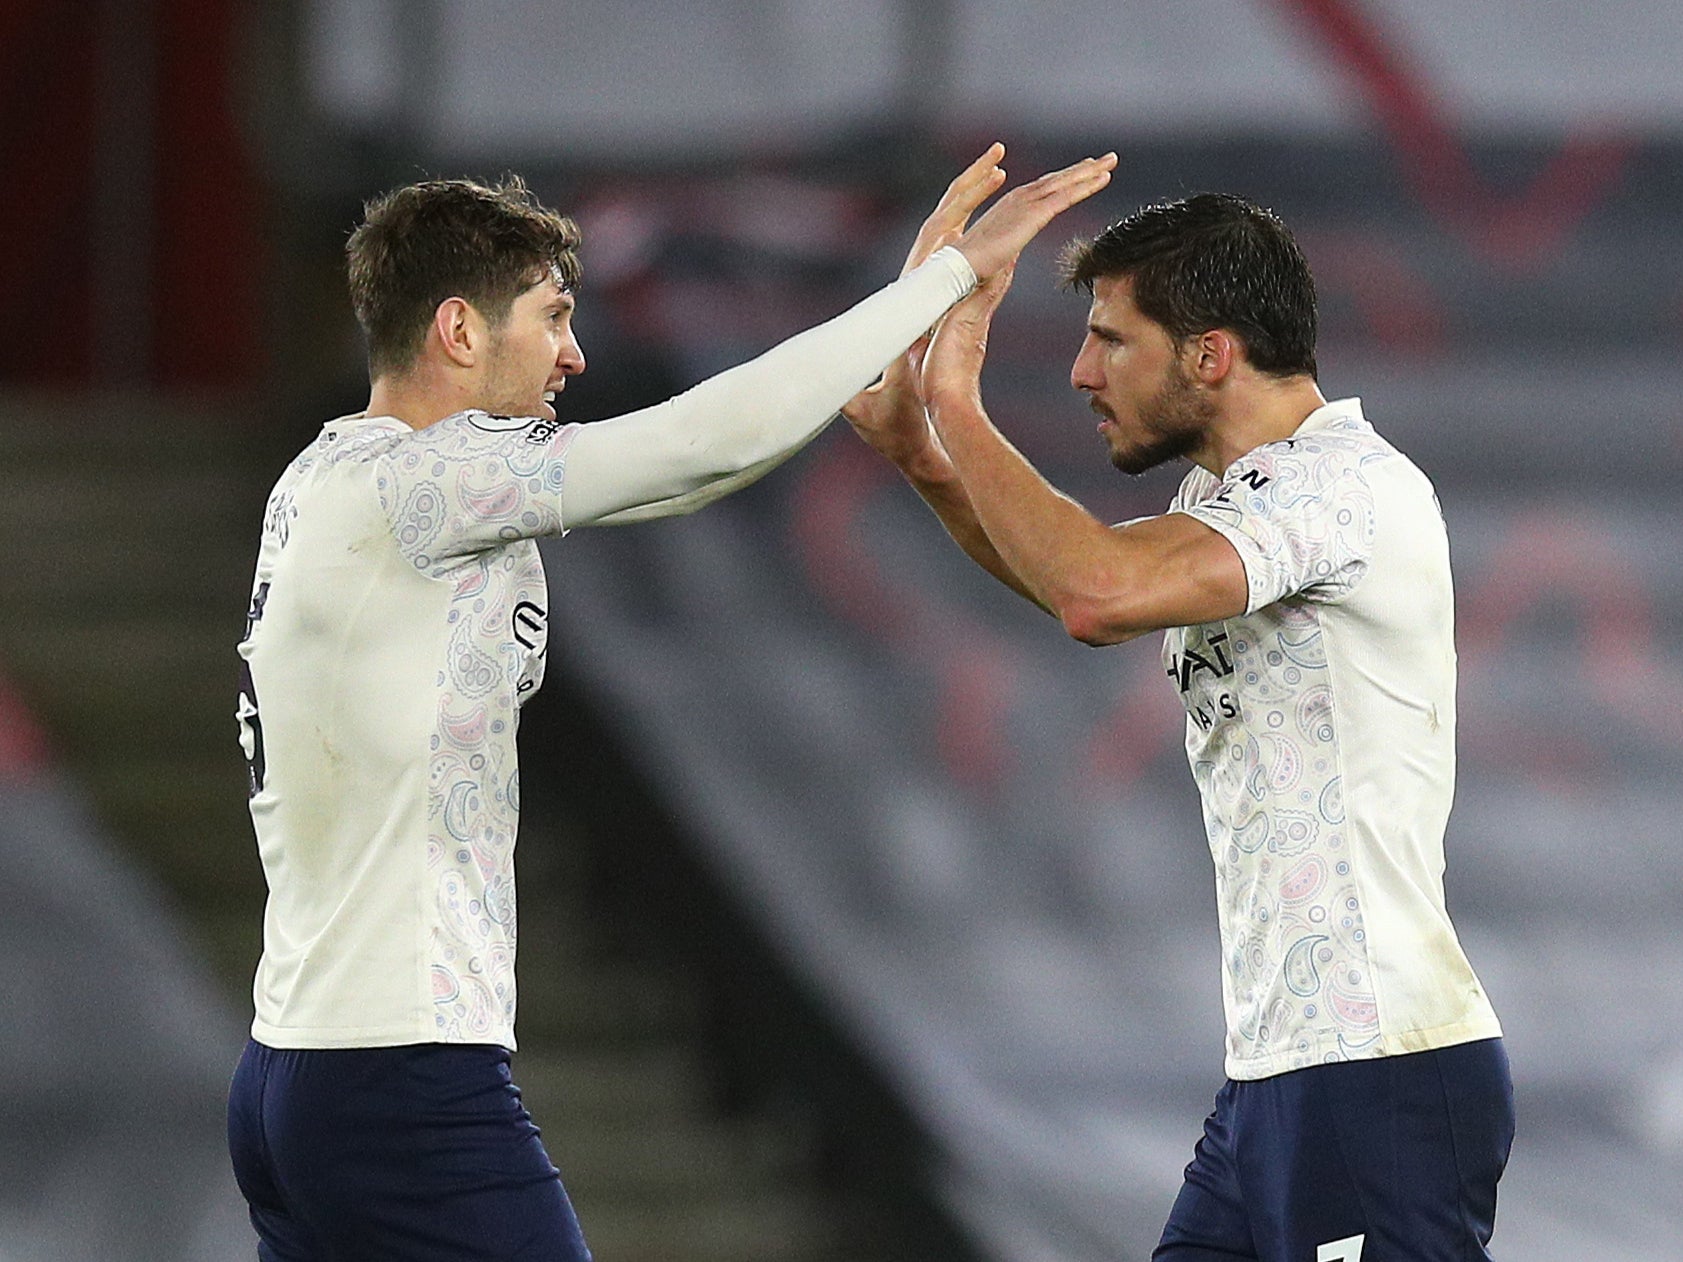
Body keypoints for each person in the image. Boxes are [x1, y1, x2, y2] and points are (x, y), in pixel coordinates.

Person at [224, 146, 1117, 1261]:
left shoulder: (331, 482)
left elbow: (692, 474)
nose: (575, 352)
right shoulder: (420, 488)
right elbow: (702, 439)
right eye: (549, 318)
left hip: (303, 1065)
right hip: (400, 1074)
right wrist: (929, 290)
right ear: (458, 331)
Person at [843, 192, 1512, 1261]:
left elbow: (1095, 591)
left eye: (1110, 339)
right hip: (1278, 1072)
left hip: (1373, 1069)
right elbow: (1080, 586)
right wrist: (925, 456)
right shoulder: (1238, 492)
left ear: (1210, 354)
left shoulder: (1342, 487)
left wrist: (957, 404)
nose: (1081, 371)